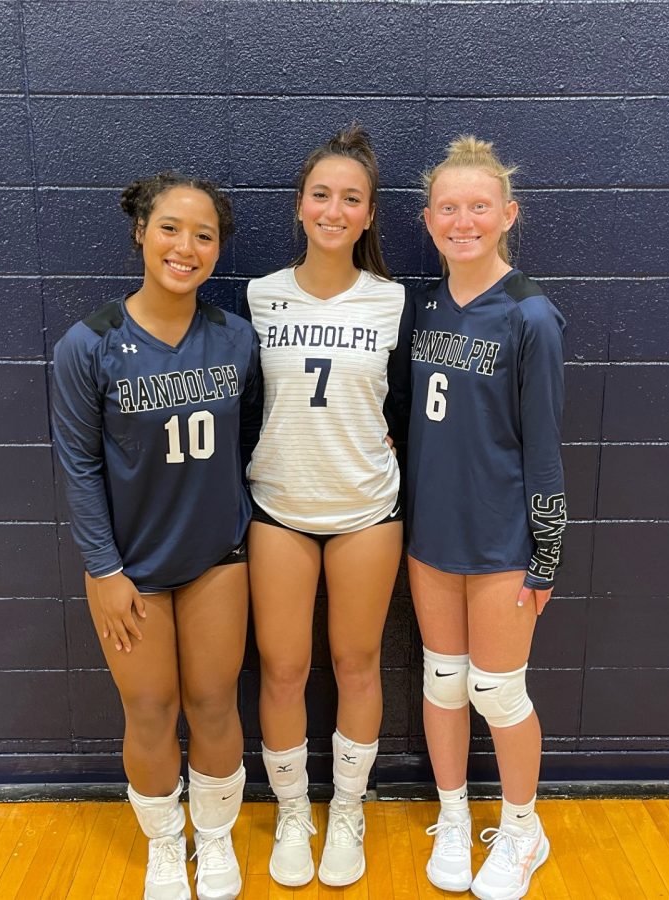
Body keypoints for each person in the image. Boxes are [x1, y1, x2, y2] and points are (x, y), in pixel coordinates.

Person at [50, 172, 260, 900]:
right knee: (149, 709)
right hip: (128, 568)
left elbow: (258, 438)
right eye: (171, 228)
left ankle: (216, 839)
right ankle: (166, 845)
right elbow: (77, 465)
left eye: (204, 235)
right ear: (141, 231)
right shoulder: (89, 344)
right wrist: (103, 569)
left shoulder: (237, 339)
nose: (186, 246)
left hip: (215, 559)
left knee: (212, 704)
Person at [245, 125, 411, 887]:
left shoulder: (393, 299)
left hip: (365, 507)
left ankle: (347, 805)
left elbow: (402, 405)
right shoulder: (260, 294)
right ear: (299, 207)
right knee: (282, 667)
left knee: (356, 661)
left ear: (370, 214)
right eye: (322, 194)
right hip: (278, 502)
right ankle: (291, 809)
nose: (334, 208)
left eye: (351, 198)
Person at [407, 136, 567, 900]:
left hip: (502, 539)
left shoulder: (531, 314)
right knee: (443, 684)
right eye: (448, 207)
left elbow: (544, 443)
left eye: (479, 206)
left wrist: (547, 550)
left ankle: (523, 827)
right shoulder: (427, 304)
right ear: (428, 218)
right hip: (430, 537)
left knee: (498, 692)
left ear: (507, 214)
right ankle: (452, 811)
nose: (463, 220)